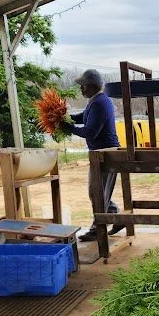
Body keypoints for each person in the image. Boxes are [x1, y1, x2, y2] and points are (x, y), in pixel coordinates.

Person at [61, 69, 125, 241]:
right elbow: (84, 117)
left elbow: (90, 132)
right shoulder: (95, 101)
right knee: (96, 192)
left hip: (106, 154)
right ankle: (114, 215)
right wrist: (66, 119)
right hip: (101, 154)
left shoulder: (99, 103)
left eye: (84, 85)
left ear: (94, 86)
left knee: (96, 192)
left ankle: (98, 228)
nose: (81, 88)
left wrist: (70, 128)